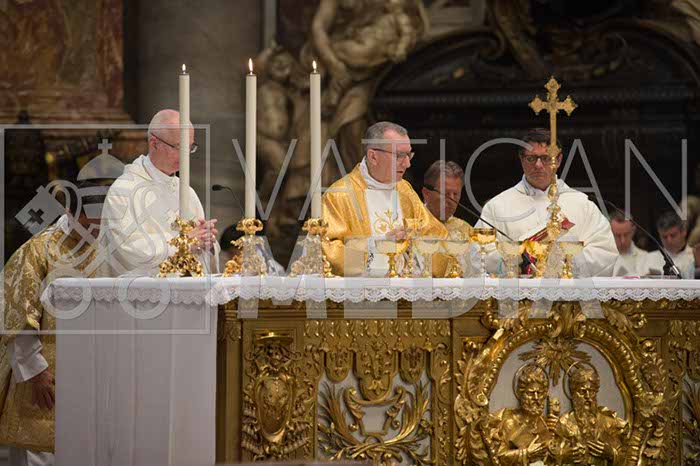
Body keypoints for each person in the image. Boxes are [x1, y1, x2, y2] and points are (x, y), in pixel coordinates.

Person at [0, 181, 106, 466]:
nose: (95, 234)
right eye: (89, 225)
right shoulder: (39, 249)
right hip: (45, 374)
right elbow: (17, 314)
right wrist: (35, 371)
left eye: (101, 226)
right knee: (40, 454)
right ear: (70, 213)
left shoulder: (108, 247)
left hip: (93, 372)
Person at [474, 128, 617, 277]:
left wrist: (562, 265)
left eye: (546, 158)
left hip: (570, 290)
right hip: (519, 290)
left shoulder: (582, 204)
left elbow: (605, 251)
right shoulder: (497, 207)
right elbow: (479, 256)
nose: (538, 165)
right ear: (522, 159)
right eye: (531, 158)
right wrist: (517, 259)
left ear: (559, 160)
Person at [100, 109, 220, 276]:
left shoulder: (186, 192)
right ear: (154, 143)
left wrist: (207, 243)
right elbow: (128, 248)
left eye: (189, 147)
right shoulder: (123, 191)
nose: (186, 156)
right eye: (178, 147)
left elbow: (199, 250)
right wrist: (186, 242)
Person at [322, 121, 447, 276]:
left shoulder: (405, 190)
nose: (407, 164)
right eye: (399, 156)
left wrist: (416, 245)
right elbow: (328, 251)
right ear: (373, 156)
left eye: (409, 155)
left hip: (407, 288)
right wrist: (378, 246)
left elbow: (437, 236)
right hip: (363, 290)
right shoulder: (339, 195)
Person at [555, 366, 628, 465]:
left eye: (592, 391)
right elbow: (552, 457)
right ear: (573, 394)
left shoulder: (609, 423)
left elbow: (624, 456)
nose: (588, 396)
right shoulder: (564, 423)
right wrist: (563, 455)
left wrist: (611, 453)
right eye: (582, 391)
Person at [487, 365, 555, 465]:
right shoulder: (509, 421)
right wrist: (527, 453)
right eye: (531, 393)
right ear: (521, 395)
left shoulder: (544, 423)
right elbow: (498, 456)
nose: (536, 398)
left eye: (539, 393)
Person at [422, 160, 472, 238]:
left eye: (455, 194)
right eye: (445, 193)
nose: (452, 200)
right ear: (427, 194)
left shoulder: (467, 231)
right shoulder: (410, 228)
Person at [647, 210, 695, 278]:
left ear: (684, 231)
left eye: (673, 235)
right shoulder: (649, 258)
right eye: (664, 237)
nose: (669, 241)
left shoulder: (694, 257)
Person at [610, 211, 652, 276]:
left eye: (626, 234)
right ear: (610, 232)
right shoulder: (602, 258)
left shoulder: (645, 257)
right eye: (618, 235)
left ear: (633, 230)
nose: (623, 241)